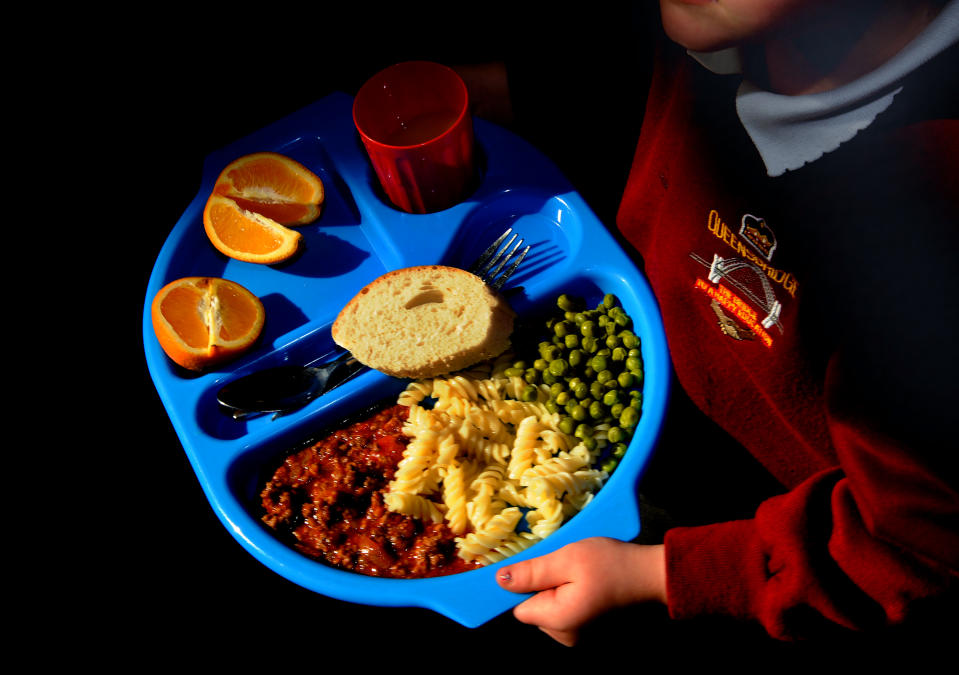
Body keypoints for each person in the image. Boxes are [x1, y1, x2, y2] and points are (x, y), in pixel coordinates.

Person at [487, 0, 959, 647]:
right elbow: (581, 81)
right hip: (675, 426)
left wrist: (655, 576)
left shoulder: (926, 220)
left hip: (789, 547)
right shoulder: (724, 28)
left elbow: (917, 546)